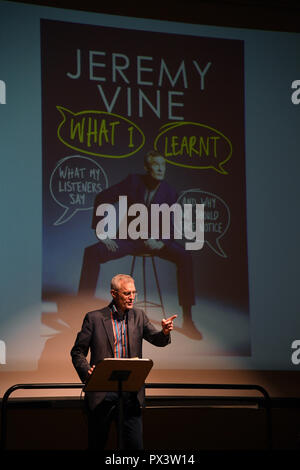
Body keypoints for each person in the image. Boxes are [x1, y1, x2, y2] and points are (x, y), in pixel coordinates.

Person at [78, 150, 202, 340]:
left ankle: (188, 319)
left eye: (164, 165)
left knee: (185, 257)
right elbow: (102, 197)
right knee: (92, 252)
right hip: (131, 240)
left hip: (157, 242)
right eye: (156, 165)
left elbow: (173, 225)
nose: (161, 169)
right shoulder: (133, 181)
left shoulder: (170, 192)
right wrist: (101, 232)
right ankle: (80, 312)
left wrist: (160, 243)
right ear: (147, 167)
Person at [71, 273, 177, 450]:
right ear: (114, 294)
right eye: (127, 293)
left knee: (134, 448)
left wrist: (165, 332)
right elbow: (77, 351)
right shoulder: (94, 318)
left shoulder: (138, 316)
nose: (132, 297)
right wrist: (86, 370)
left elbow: (157, 339)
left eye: (134, 293)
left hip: (130, 394)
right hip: (102, 393)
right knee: (97, 447)